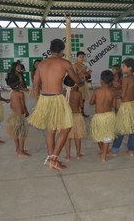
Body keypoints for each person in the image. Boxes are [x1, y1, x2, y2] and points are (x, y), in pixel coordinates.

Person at [28, 38, 83, 170]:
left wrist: (38, 102)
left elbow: (35, 86)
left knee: (51, 130)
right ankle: (53, 158)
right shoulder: (65, 63)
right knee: (67, 126)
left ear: (51, 49)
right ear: (62, 50)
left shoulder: (41, 64)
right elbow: (77, 80)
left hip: (44, 99)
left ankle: (51, 159)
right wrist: (81, 81)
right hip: (57, 99)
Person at [109, 58, 134, 157]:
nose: (121, 68)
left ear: (129, 68)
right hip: (133, 104)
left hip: (125, 105)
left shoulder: (125, 79)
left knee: (120, 128)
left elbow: (123, 95)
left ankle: (114, 150)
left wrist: (115, 92)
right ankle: (131, 150)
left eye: (123, 66)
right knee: (132, 128)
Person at [89, 70, 117, 162]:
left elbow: (91, 102)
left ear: (101, 80)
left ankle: (102, 150)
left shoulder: (97, 91)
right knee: (107, 136)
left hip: (99, 116)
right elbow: (114, 105)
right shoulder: (112, 92)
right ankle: (104, 155)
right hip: (109, 116)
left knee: (98, 134)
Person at [63, 76, 87, 161]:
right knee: (77, 136)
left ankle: (68, 156)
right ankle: (78, 154)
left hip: (66, 117)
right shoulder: (78, 93)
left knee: (67, 137)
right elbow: (81, 105)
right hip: (77, 116)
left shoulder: (63, 92)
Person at [6, 73, 30, 157]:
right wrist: (26, 112)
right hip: (20, 116)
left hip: (13, 115)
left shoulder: (12, 93)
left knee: (15, 133)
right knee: (22, 133)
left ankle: (17, 149)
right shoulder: (20, 94)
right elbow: (23, 105)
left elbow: (11, 105)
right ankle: (21, 150)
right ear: (18, 85)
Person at [74, 51, 91, 117]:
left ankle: (82, 112)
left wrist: (88, 73)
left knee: (83, 99)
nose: (82, 58)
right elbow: (74, 75)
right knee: (78, 98)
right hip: (78, 84)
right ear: (77, 57)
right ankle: (77, 112)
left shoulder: (84, 65)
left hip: (84, 83)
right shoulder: (75, 65)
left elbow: (85, 75)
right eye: (80, 57)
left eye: (83, 57)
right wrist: (82, 70)